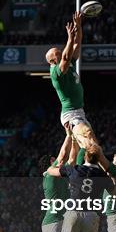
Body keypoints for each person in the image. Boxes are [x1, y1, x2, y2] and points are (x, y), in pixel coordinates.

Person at [45, 12, 97, 150]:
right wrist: (69, 37)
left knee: (88, 146)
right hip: (71, 114)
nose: (61, 53)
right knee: (90, 141)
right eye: (58, 53)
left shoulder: (69, 63)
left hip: (79, 111)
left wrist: (78, 26)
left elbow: (77, 43)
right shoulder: (56, 72)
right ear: (53, 61)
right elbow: (66, 57)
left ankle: (84, 169)